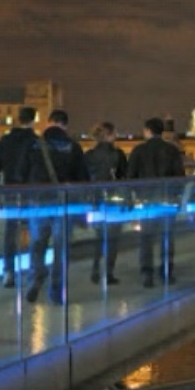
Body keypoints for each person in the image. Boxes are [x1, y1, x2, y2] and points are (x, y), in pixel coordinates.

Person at [24, 109, 88, 304]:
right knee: (61, 248)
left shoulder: (34, 144)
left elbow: (22, 173)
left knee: (37, 243)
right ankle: (57, 290)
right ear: (65, 125)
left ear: (49, 122)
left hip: (38, 201)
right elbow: (83, 179)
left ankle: (36, 275)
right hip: (63, 203)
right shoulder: (73, 146)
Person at [128, 117, 186, 288]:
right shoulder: (172, 150)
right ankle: (166, 270)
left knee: (146, 238)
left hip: (146, 201)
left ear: (147, 131)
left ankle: (147, 272)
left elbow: (130, 176)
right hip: (168, 200)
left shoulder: (139, 150)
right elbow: (179, 177)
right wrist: (178, 198)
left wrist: (135, 197)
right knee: (167, 237)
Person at [0, 106, 37, 288]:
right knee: (35, 230)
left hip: (9, 191)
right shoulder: (36, 141)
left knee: (10, 232)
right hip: (31, 192)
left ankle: (8, 272)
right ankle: (34, 270)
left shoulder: (6, 140)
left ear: (18, 119)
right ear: (33, 120)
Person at [84, 121, 127, 285]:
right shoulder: (118, 155)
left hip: (95, 201)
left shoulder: (88, 155)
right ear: (109, 135)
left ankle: (95, 269)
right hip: (114, 202)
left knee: (99, 238)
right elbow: (125, 177)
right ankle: (108, 272)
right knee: (113, 239)